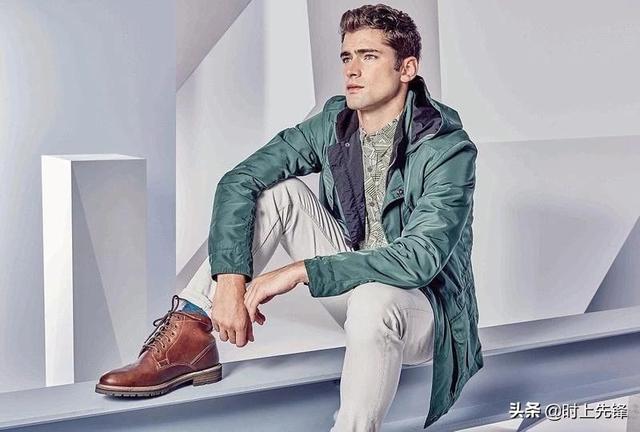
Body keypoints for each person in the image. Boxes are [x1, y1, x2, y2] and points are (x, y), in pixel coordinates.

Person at [95, 3, 483, 430]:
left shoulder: (447, 148)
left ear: (406, 68)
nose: (352, 70)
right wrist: (230, 280)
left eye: (369, 56)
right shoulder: (335, 123)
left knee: (374, 300)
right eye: (347, 57)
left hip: (422, 309)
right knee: (278, 194)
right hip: (356, 284)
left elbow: (420, 258)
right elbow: (239, 180)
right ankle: (191, 330)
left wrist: (299, 271)